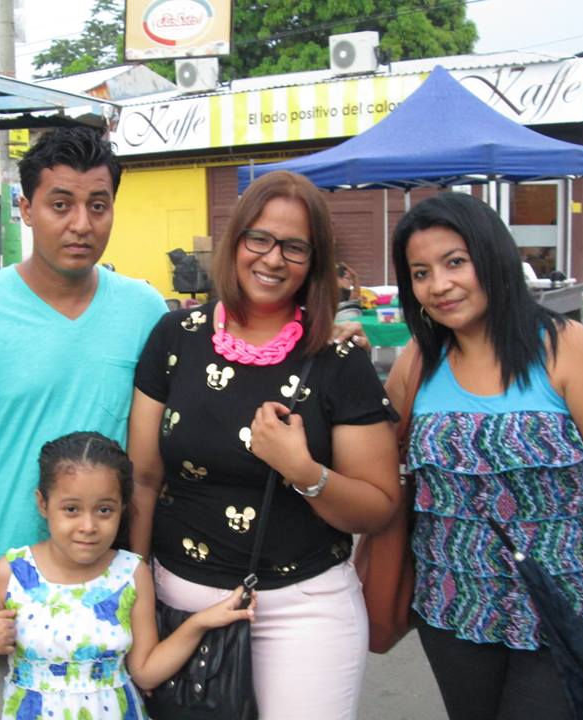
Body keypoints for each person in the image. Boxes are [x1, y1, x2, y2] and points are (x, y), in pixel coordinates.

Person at [127, 170, 401, 719]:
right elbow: (144, 477)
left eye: (295, 247)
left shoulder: (337, 361)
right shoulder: (175, 337)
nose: (273, 259)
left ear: (315, 261)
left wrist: (304, 471)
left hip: (304, 611)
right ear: (237, 241)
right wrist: (132, 589)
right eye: (260, 239)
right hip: (179, 600)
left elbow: (378, 506)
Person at [0, 126, 168, 718]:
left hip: (106, 608)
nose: (81, 223)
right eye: (60, 204)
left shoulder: (145, 310)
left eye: (97, 205)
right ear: (25, 208)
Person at [385, 192, 583, 719]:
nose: (440, 285)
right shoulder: (418, 362)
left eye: (455, 262)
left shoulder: (566, 347)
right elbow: (376, 455)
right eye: (420, 272)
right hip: (451, 607)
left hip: (558, 603)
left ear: (492, 256)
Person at [0, 431, 255, 718]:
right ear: (43, 504)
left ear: (122, 509)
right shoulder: (11, 574)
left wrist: (200, 623)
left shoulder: (130, 573)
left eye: (104, 510)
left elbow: (146, 670)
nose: (88, 526)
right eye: (71, 509)